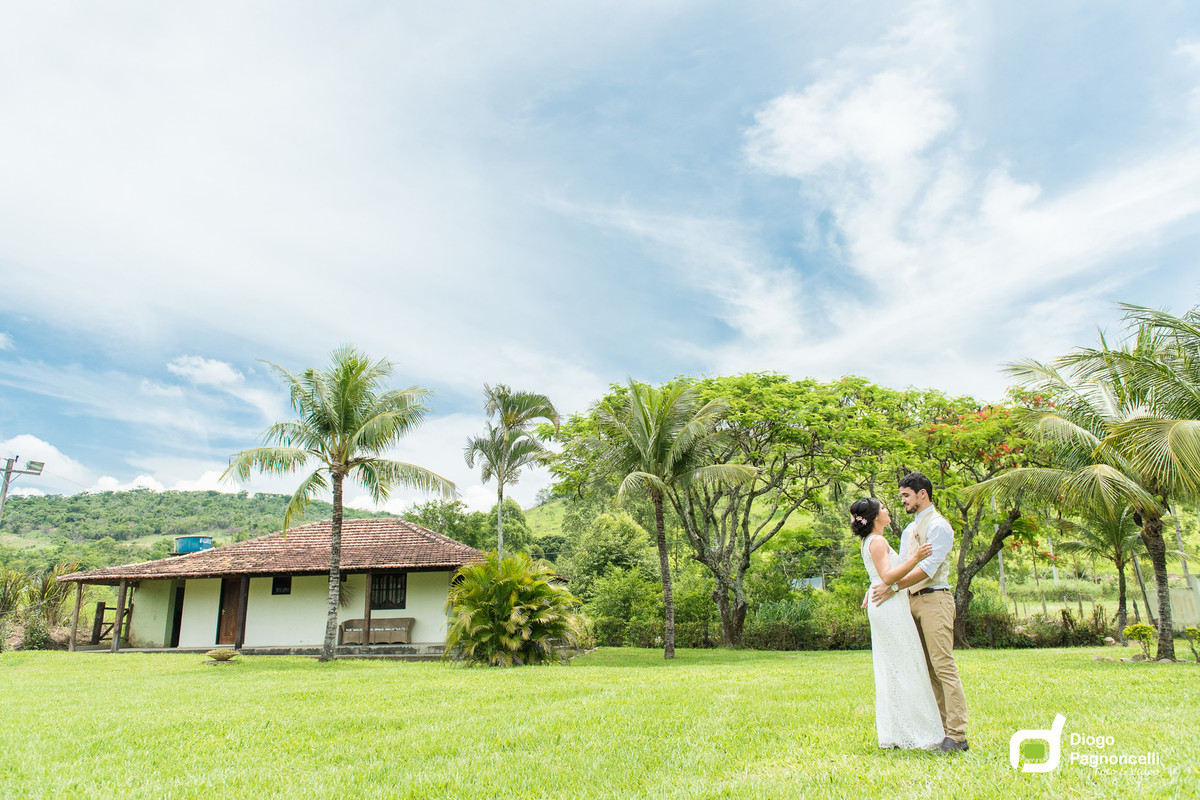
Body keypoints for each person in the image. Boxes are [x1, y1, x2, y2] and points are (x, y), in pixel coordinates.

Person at [870, 472, 970, 753]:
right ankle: (939, 729)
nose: (902, 501)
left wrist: (893, 587)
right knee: (925, 669)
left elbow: (929, 568)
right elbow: (900, 565)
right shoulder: (907, 530)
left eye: (905, 496)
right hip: (909, 601)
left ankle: (957, 734)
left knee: (943, 666)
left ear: (922, 494)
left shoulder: (939, 527)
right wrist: (881, 590)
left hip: (934, 600)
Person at [851, 496, 944, 750]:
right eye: (883, 508)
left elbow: (878, 577)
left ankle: (899, 730)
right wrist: (917, 558)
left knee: (895, 665)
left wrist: (872, 588)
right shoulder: (877, 541)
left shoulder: (871, 541)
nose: (887, 509)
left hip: (885, 603)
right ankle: (918, 732)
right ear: (874, 517)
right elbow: (888, 575)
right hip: (889, 607)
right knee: (905, 663)